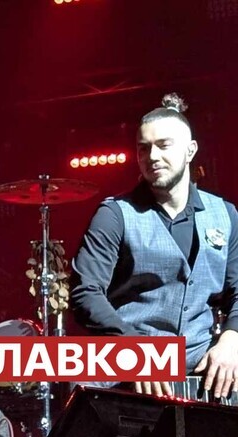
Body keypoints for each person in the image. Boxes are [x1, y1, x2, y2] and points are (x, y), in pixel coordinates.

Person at [70, 93, 238, 399]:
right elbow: (85, 292)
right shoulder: (114, 214)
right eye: (143, 148)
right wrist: (136, 351)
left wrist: (231, 339)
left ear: (190, 150)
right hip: (127, 369)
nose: (152, 156)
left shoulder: (225, 214)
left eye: (163, 145)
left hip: (199, 370)